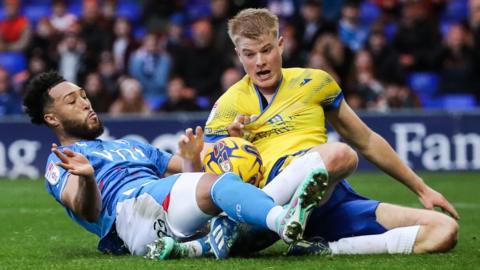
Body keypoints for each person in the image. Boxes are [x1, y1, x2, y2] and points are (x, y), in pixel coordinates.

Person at [162, 8, 458, 259]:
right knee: (340, 153)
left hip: (330, 195)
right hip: (275, 189)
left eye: (266, 50)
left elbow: (366, 139)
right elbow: (208, 181)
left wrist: (422, 189)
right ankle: (269, 216)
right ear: (238, 55)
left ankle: (326, 248)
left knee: (444, 231)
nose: (260, 62)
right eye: (250, 54)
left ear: (281, 44)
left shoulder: (315, 82)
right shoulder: (228, 104)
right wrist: (228, 145)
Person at [22, 71, 329, 257]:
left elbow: (192, 184)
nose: (86, 103)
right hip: (130, 214)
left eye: (84, 96)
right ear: (52, 118)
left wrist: (214, 151)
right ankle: (281, 221)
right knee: (220, 187)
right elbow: (85, 210)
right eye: (72, 101)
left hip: (164, 212)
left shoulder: (130, 146)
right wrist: (88, 178)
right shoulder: (61, 161)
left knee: (312, 162)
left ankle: (199, 246)